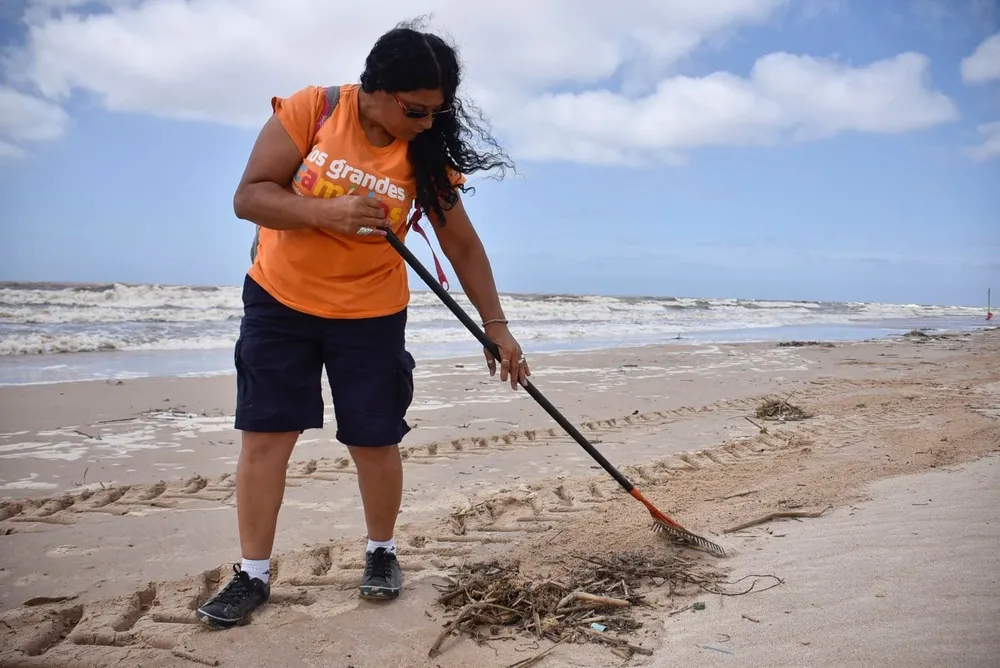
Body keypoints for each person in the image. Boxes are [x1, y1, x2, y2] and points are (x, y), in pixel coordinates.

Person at [195, 20, 527, 628]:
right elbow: (249, 197)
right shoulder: (314, 110)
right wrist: (328, 212)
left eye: (436, 111)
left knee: (374, 440)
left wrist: (497, 326)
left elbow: (462, 245)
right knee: (267, 438)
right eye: (415, 110)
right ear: (374, 89)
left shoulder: (423, 153)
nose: (426, 122)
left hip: (371, 314)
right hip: (280, 301)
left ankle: (381, 553)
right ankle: (253, 575)